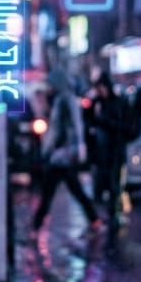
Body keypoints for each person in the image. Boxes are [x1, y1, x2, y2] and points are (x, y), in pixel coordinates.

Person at [30, 80, 103, 239]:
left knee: (49, 194)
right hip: (65, 157)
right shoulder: (66, 101)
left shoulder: (62, 102)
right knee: (74, 191)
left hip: (60, 158)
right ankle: (95, 220)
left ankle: (35, 228)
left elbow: (60, 131)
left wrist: (48, 151)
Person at [83, 73, 133, 230]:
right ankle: (106, 215)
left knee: (114, 184)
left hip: (115, 151)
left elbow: (120, 126)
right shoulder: (97, 103)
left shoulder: (117, 103)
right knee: (102, 184)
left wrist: (101, 120)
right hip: (101, 152)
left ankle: (113, 215)